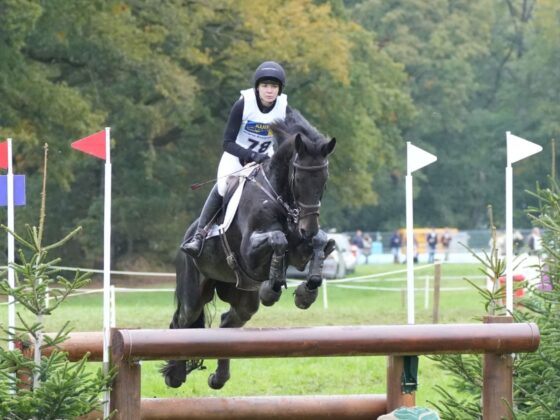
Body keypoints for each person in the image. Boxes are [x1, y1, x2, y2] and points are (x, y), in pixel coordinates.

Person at [181, 61, 290, 256]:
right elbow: (227, 142)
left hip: (266, 158)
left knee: (282, 188)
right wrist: (251, 155)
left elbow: (287, 139)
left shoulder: (283, 108)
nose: (269, 91)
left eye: (274, 86)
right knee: (223, 187)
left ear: (279, 89)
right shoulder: (243, 104)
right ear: (257, 87)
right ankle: (199, 235)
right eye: (265, 86)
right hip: (236, 156)